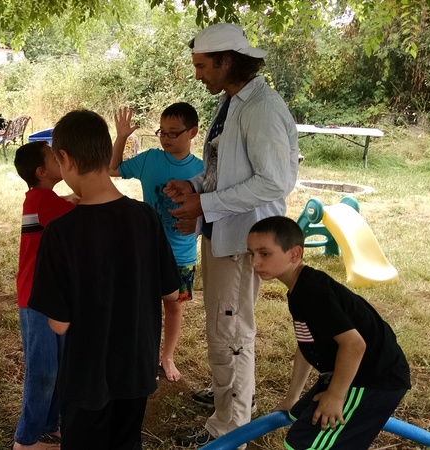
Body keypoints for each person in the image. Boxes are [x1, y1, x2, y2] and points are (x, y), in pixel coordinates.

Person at [165, 23, 300, 446]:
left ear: (227, 61)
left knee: (231, 330)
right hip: (225, 234)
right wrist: (197, 187)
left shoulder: (261, 107)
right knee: (227, 326)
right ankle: (234, 399)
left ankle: (230, 430)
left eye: (203, 66)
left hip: (244, 241)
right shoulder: (234, 100)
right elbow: (228, 171)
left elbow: (273, 182)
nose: (197, 74)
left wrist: (204, 205)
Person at [28, 110, 181, 450]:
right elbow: (171, 292)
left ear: (65, 159)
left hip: (86, 377)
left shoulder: (60, 232)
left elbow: (59, 324)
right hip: (137, 370)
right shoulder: (146, 217)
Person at [247, 216, 411, 448]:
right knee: (297, 415)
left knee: (302, 445)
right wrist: (292, 397)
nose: (254, 262)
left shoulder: (312, 291)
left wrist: (335, 397)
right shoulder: (299, 288)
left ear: (294, 254)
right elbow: (307, 345)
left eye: (264, 254)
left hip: (373, 378)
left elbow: (354, 345)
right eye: (251, 253)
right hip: (345, 372)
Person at [109, 103, 204, 382]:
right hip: (146, 249)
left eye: (174, 133)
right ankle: (143, 354)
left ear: (193, 132)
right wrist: (122, 136)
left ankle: (167, 356)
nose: (165, 138)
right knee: (142, 305)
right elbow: (113, 169)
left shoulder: (203, 170)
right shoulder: (150, 158)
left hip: (182, 251)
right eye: (162, 132)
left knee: (174, 305)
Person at [13, 140, 79, 450]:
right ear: (42, 171)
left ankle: (51, 425)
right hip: (36, 300)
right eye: (56, 157)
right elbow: (77, 213)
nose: (61, 158)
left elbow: (65, 205)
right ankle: (25, 441)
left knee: (59, 366)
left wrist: (72, 197)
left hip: (52, 298)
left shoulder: (43, 199)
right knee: (43, 370)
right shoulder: (42, 201)